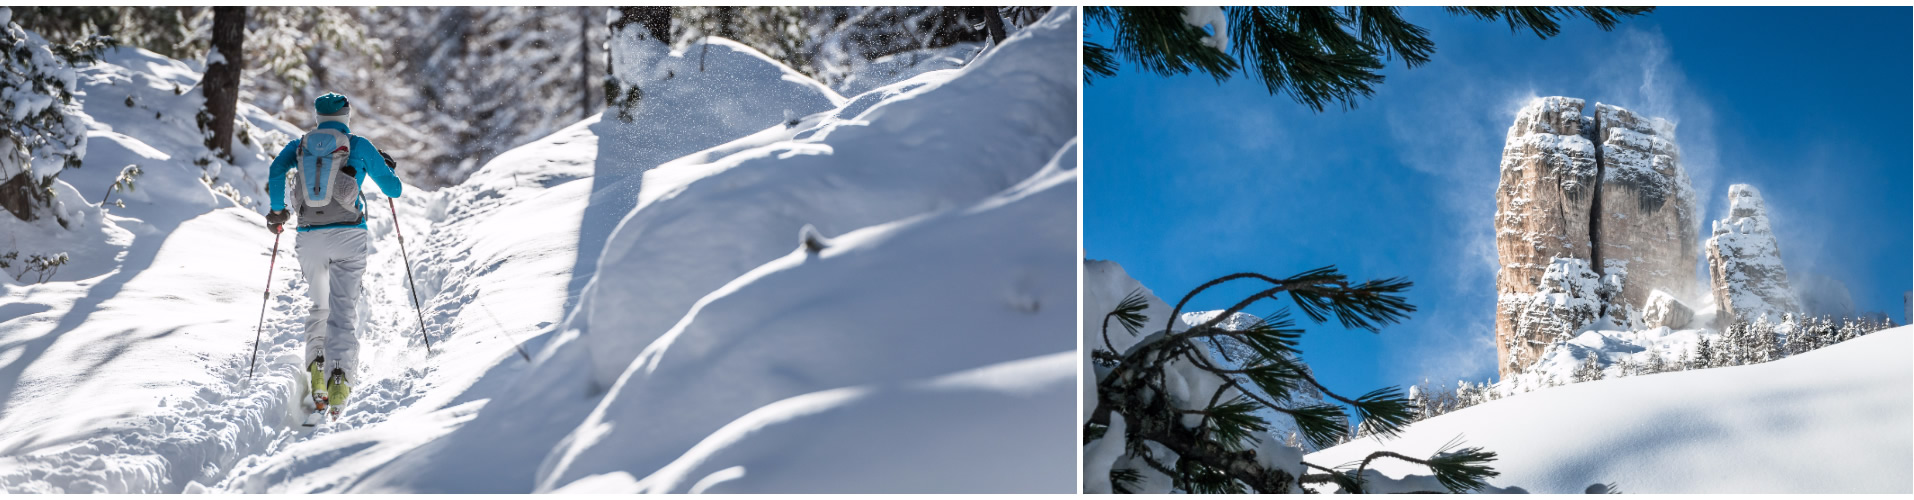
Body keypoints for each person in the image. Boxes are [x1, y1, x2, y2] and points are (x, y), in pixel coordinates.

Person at [264, 92, 402, 420]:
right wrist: (383, 167)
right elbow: (394, 190)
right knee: (343, 310)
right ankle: (338, 378)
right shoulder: (359, 145)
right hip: (349, 235)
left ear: (317, 117)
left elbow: (274, 171)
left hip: (310, 236)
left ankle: (317, 373)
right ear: (347, 116)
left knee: (319, 305)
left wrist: (277, 211)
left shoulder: (299, 145)